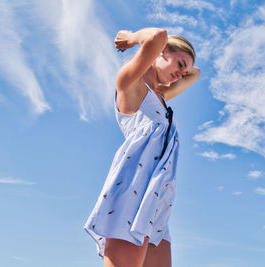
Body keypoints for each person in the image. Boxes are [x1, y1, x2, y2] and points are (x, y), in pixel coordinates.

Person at [84, 27, 200, 267]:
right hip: (132, 193)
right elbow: (158, 35)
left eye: (183, 69)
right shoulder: (131, 84)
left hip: (157, 201)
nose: (181, 74)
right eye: (179, 64)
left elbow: (195, 74)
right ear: (161, 52)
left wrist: (180, 63)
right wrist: (131, 39)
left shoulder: (161, 97)